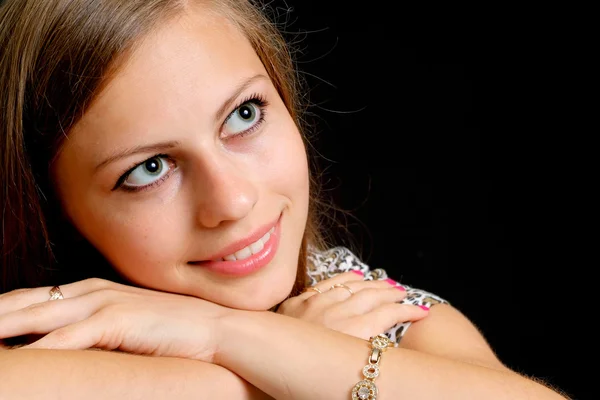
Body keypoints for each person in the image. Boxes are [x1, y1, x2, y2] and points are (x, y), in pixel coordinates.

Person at [0, 0, 570, 399]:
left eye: (243, 115)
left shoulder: (369, 309)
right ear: (50, 207)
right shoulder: (26, 342)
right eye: (150, 169)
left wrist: (226, 335)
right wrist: (285, 364)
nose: (234, 199)